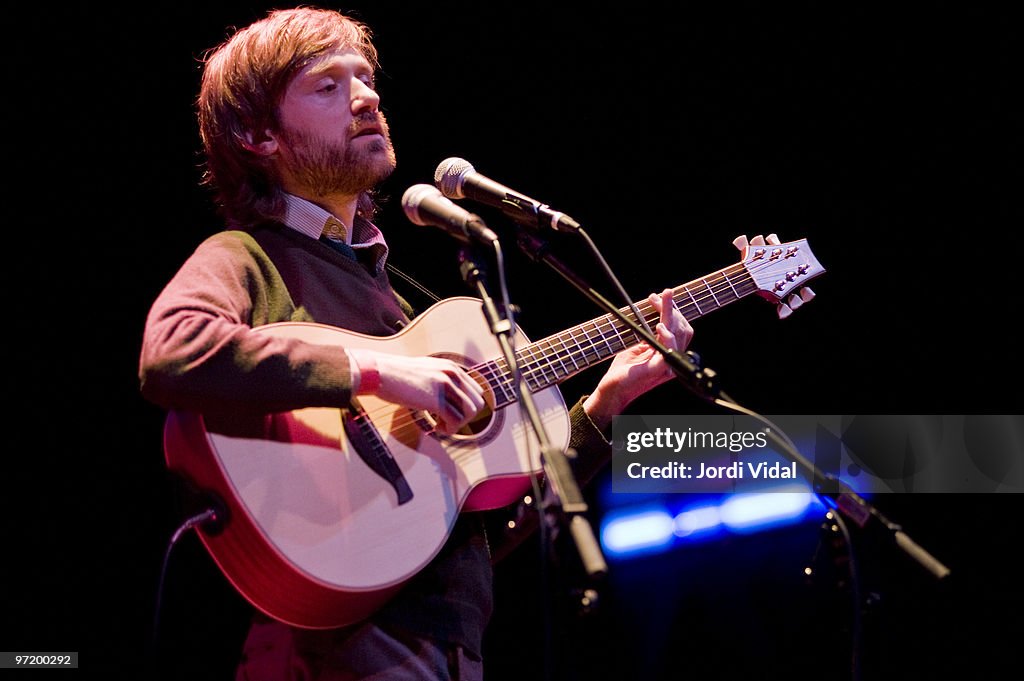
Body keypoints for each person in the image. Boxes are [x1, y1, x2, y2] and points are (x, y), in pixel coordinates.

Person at [138, 7, 693, 680]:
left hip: (449, 642)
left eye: (366, 79)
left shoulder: (399, 302)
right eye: (328, 85)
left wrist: (604, 409)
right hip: (323, 646)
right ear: (258, 134)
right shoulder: (250, 258)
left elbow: (471, 527)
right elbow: (174, 349)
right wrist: (374, 372)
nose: (368, 97)